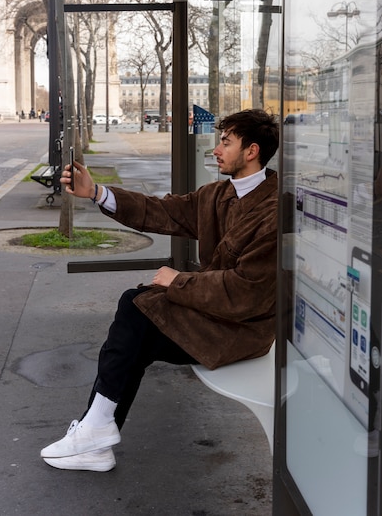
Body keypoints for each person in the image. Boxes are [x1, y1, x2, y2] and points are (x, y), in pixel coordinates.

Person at [41, 108, 279, 472]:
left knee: (136, 315)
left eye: (226, 142)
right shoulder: (219, 194)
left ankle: (95, 430)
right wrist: (97, 193)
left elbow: (246, 292)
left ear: (252, 151)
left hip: (243, 330)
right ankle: (96, 434)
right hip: (216, 316)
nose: (216, 150)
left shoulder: (273, 211)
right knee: (135, 322)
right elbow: (163, 211)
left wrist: (177, 280)